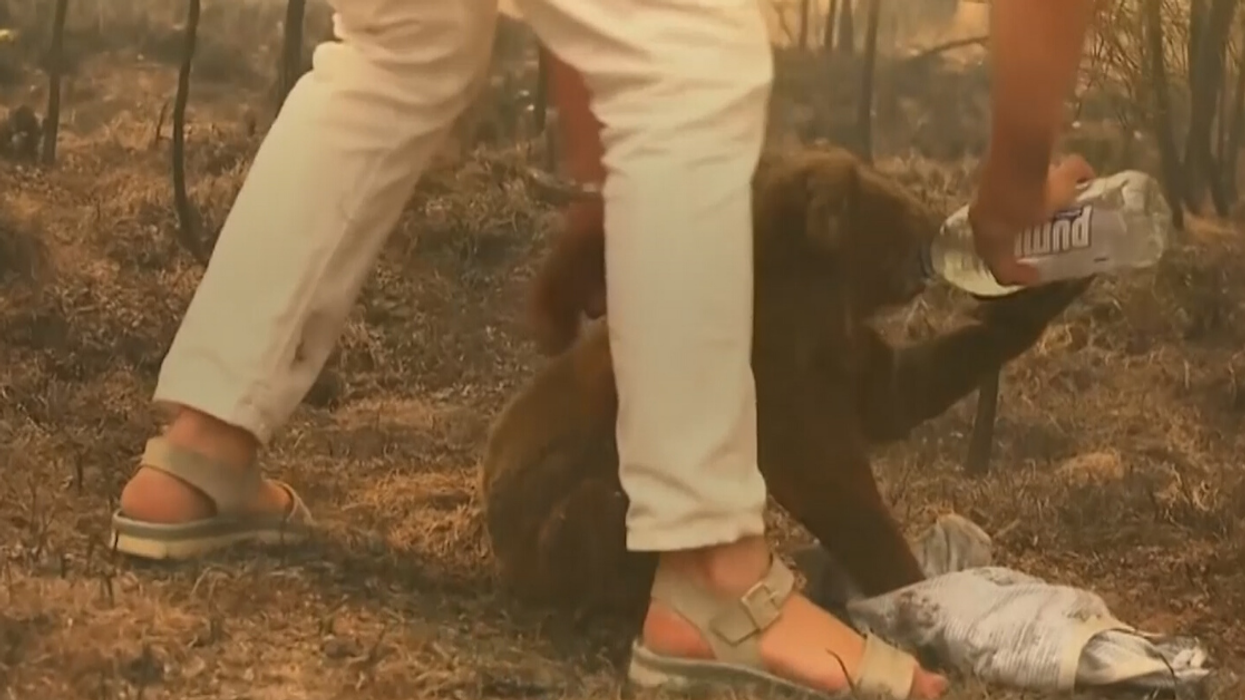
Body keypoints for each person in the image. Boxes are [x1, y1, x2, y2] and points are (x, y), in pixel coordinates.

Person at [109, 1, 1095, 698]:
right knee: (694, 60)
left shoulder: (804, 320)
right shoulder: (788, 323)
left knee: (402, 43)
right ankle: (716, 582)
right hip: (568, 512)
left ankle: (203, 446)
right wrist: (1012, 192)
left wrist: (602, 191)